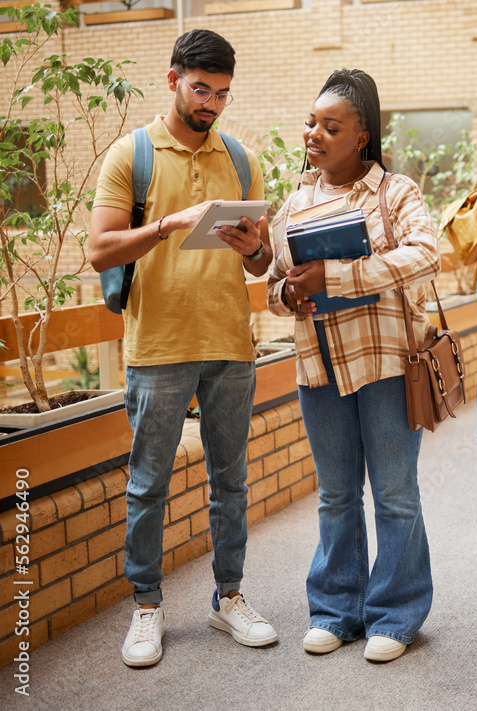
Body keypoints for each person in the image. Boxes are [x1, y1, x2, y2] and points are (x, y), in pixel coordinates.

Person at [90, 30, 277, 667]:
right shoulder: (131, 155)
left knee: (230, 482)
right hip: (158, 346)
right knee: (149, 485)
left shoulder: (241, 158)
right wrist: (166, 226)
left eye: (222, 94)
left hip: (230, 344)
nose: (212, 104)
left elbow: (263, 263)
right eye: (202, 90)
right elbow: (99, 250)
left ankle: (229, 598)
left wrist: (254, 247)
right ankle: (146, 608)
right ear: (172, 79)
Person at [266, 69, 439, 663]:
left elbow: (424, 254)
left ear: (362, 135)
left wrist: (337, 276)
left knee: (394, 495)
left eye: (330, 125)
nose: (314, 133)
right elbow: (273, 284)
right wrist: (291, 294)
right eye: (312, 122)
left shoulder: (396, 192)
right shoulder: (296, 198)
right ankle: (337, 610)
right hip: (318, 368)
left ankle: (396, 614)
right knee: (336, 497)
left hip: (386, 363)